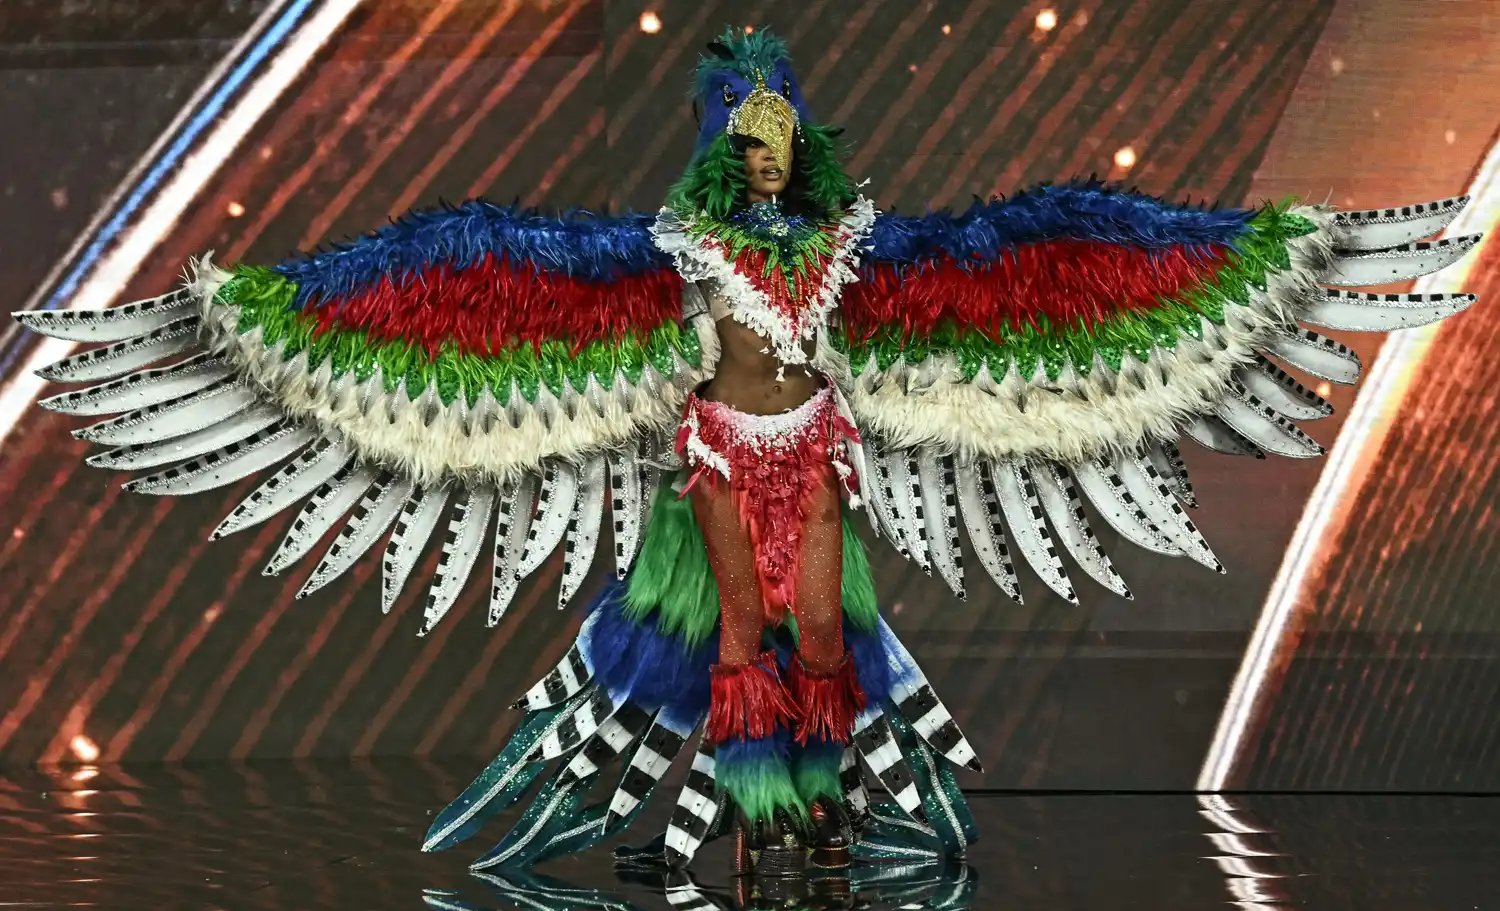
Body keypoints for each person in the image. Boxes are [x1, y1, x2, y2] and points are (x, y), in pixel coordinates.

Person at [14, 23, 1481, 882]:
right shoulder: (668, 253)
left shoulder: (859, 249)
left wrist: (1286, 257)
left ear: (803, 147)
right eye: (751, 137)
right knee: (739, 634)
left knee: (833, 632)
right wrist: (234, 324)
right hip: (719, 458)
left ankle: (830, 821)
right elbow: (454, 291)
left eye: (783, 136)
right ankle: (749, 828)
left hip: (820, 449)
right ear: (731, 150)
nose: (767, 154)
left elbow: (1068, 264)